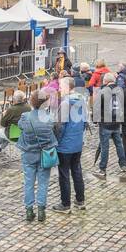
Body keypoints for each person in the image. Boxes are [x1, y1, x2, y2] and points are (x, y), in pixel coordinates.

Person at [18, 90, 60, 221]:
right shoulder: (49, 118)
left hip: (29, 153)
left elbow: (20, 127)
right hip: (45, 153)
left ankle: (29, 210)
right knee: (43, 183)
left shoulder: (25, 116)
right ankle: (41, 210)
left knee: (28, 183)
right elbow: (54, 130)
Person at [54, 79, 88, 212]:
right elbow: (85, 122)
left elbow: (60, 126)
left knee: (64, 174)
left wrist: (56, 140)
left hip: (65, 145)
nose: (60, 89)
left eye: (61, 86)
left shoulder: (65, 103)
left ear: (68, 87)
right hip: (77, 143)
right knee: (77, 171)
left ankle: (65, 204)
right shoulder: (83, 101)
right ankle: (80, 200)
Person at [91, 71, 126, 177]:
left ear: (105, 81)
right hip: (117, 122)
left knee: (104, 146)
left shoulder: (103, 91)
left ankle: (102, 169)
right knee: (119, 144)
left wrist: (95, 120)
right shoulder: (120, 91)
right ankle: (123, 165)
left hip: (105, 123)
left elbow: (96, 107)